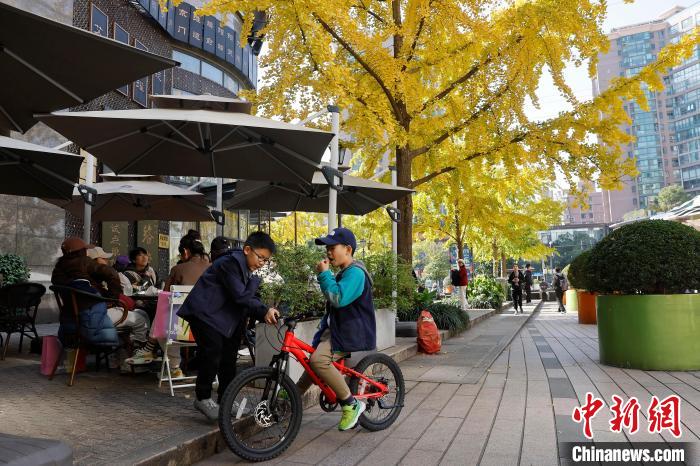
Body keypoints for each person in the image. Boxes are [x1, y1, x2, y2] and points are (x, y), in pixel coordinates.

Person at [177, 232, 280, 421]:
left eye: (266, 260)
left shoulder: (246, 268)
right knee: (212, 353)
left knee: (228, 359)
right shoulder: (230, 263)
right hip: (206, 316)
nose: (262, 263)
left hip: (224, 321)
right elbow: (241, 296)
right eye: (261, 257)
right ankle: (203, 397)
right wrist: (258, 292)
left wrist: (265, 310)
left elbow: (249, 298)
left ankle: (226, 398)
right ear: (247, 249)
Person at [293, 227, 376, 432]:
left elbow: (338, 298)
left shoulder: (356, 273)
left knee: (318, 360)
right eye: (327, 248)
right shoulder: (345, 273)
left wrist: (324, 274)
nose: (328, 252)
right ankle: (291, 397)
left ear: (348, 249)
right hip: (339, 330)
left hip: (351, 332)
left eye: (332, 247)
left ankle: (351, 404)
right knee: (313, 362)